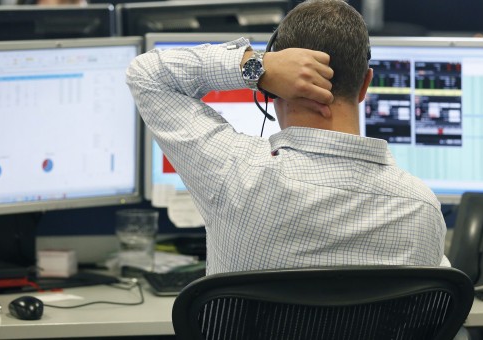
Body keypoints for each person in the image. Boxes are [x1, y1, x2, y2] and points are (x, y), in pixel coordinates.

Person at [126, 0, 448, 275]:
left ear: (273, 89)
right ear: (365, 86)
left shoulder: (234, 177)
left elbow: (146, 74)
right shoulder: (421, 211)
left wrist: (256, 66)